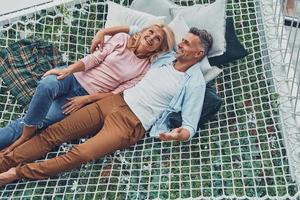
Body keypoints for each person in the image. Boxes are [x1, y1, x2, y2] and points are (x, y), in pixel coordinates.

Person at [0, 27, 213, 185]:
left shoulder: (194, 83)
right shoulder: (166, 56)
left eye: (186, 44)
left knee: (82, 153)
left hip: (131, 123)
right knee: (53, 133)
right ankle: (4, 162)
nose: (181, 45)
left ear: (198, 54)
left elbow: (189, 126)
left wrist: (177, 135)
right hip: (112, 101)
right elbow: (142, 31)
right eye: (182, 40)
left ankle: (16, 173)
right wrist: (104, 32)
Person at [0, 23, 175, 152]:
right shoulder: (122, 39)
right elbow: (95, 58)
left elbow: (115, 94)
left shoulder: (144, 69)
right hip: (74, 76)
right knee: (47, 84)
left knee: (40, 120)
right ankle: (25, 136)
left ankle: (23, 132)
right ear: (143, 31)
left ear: (158, 48)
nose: (151, 38)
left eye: (157, 39)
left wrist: (86, 100)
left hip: (86, 96)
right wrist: (69, 69)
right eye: (151, 32)